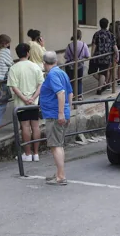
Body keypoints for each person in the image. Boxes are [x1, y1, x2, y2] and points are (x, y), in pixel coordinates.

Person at [7, 43, 44, 162]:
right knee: (35, 126)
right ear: (28, 53)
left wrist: (24, 98)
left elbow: (14, 87)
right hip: (34, 103)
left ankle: (27, 154)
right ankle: (36, 153)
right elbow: (41, 84)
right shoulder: (35, 67)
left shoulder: (14, 68)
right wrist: (33, 98)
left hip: (21, 104)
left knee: (25, 127)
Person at [41, 51, 73, 186]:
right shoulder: (62, 72)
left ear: (44, 63)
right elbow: (70, 93)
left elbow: (61, 93)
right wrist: (67, 111)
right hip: (60, 113)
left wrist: (61, 113)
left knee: (56, 146)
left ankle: (61, 176)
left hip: (54, 115)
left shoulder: (53, 75)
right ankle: (59, 173)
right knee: (58, 145)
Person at [92, 18, 118, 95]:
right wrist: (117, 54)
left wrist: (91, 55)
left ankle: (100, 87)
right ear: (107, 25)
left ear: (100, 24)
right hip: (107, 57)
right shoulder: (111, 35)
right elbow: (114, 46)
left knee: (92, 71)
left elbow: (94, 45)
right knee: (103, 73)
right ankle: (102, 85)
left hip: (97, 56)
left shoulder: (97, 34)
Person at [64, 30, 90, 100]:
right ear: (80, 36)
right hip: (80, 65)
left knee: (71, 80)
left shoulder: (69, 45)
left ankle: (71, 95)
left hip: (70, 66)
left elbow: (65, 56)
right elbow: (88, 56)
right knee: (79, 80)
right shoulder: (84, 44)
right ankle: (79, 96)